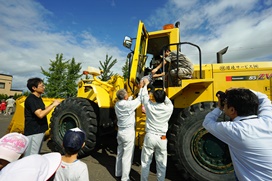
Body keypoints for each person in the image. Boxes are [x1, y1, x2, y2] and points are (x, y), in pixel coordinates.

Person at [203, 88, 272, 181]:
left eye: (226, 103)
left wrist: (219, 108)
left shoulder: (234, 130)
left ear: (232, 110)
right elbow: (263, 97)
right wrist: (241, 92)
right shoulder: (267, 121)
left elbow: (207, 123)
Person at [140, 78, 174, 181]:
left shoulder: (149, 106)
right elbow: (167, 101)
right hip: (162, 138)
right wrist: (164, 94)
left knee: (146, 162)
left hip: (150, 136)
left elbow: (143, 96)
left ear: (153, 97)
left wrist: (145, 85)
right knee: (161, 164)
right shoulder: (169, 108)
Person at [24, 77, 60, 156]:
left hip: (39, 130)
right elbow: (40, 114)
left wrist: (52, 105)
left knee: (35, 153)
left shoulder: (38, 98)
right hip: (34, 131)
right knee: (31, 155)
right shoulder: (31, 99)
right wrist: (53, 105)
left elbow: (42, 109)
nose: (44, 87)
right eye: (42, 86)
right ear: (34, 88)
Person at [115, 88, 142, 181]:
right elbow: (139, 100)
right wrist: (142, 88)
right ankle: (125, 178)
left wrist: (132, 95)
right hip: (128, 133)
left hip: (120, 132)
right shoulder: (129, 105)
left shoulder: (117, 104)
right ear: (125, 96)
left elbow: (129, 102)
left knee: (120, 153)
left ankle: (118, 173)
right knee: (127, 156)